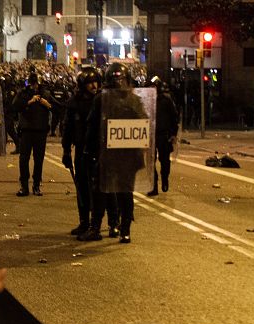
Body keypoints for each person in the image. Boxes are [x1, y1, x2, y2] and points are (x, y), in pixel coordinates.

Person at [83, 62, 151, 244]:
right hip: (124, 156)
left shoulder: (104, 99)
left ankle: (99, 227)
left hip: (114, 155)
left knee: (101, 191)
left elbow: (92, 127)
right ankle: (122, 229)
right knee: (122, 192)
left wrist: (88, 151)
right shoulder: (131, 100)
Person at [62, 67, 105, 237]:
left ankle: (99, 223)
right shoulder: (74, 102)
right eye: (89, 83)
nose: (93, 86)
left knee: (98, 189)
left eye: (95, 82)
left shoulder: (103, 101)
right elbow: (68, 127)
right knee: (81, 187)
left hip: (99, 149)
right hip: (81, 149)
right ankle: (84, 222)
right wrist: (66, 150)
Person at [12, 72, 53, 196]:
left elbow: (57, 108)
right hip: (26, 130)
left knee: (38, 159)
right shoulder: (23, 93)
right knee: (24, 159)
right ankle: (24, 186)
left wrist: (47, 104)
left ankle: (36, 185)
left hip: (40, 130)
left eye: (35, 84)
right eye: (32, 84)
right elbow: (14, 107)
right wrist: (29, 102)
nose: (34, 87)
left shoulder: (45, 93)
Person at [147, 76, 179, 196]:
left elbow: (174, 118)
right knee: (151, 162)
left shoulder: (166, 100)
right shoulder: (146, 101)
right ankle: (153, 186)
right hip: (150, 135)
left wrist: (173, 134)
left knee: (164, 161)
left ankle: (164, 178)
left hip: (164, 135)